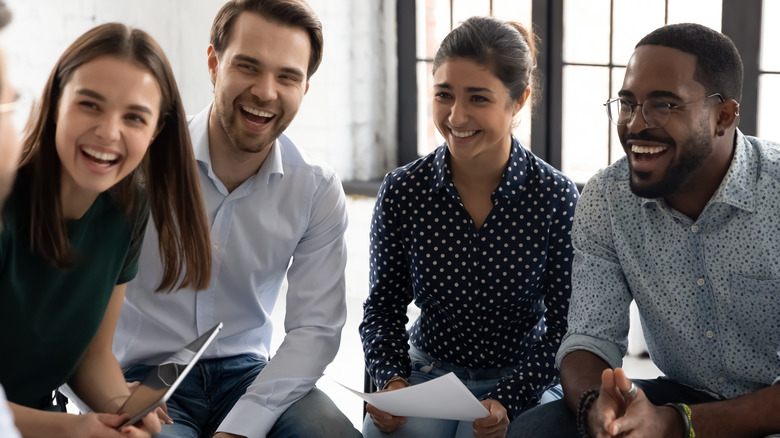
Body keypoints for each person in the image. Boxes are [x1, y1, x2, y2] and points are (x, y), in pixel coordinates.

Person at [513, 22, 780, 438]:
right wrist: (596, 405)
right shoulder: (607, 198)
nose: (635, 125)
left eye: (663, 105)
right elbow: (589, 336)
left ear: (723, 115)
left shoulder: (776, 192)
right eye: (627, 103)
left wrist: (675, 424)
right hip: (684, 393)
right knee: (537, 431)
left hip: (770, 404)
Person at [112, 1, 361, 437]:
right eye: (248, 67)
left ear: (305, 87)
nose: (266, 92)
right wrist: (107, 393)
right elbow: (74, 303)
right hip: (146, 376)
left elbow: (315, 329)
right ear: (214, 63)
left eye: (287, 76)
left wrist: (244, 425)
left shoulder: (315, 190)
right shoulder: (141, 163)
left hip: (250, 375)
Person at [360, 16, 579, 438]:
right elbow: (382, 309)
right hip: (428, 375)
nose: (456, 116)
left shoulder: (555, 195)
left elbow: (566, 326)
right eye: (444, 95)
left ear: (518, 101)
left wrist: (509, 398)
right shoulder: (404, 189)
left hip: (525, 378)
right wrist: (392, 383)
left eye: (478, 98)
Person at [0, 22, 212, 437]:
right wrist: (68, 430)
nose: (109, 132)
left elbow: (93, 357)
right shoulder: (3, 205)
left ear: (156, 133)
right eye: (90, 105)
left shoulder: (129, 210)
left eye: (134, 117)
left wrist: (123, 410)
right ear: (56, 100)